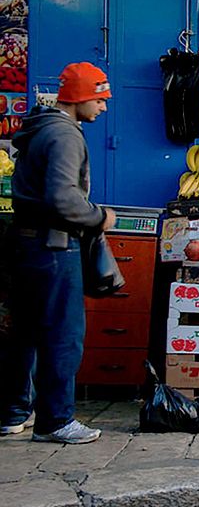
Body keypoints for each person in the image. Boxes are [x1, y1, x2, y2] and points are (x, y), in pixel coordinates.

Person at [0, 63, 116, 444]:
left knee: (26, 332)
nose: (102, 107)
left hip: (24, 243)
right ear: (82, 97)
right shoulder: (65, 136)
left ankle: (15, 412)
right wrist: (100, 217)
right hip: (53, 245)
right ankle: (56, 420)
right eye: (99, 99)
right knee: (63, 334)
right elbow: (62, 197)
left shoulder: (38, 128)